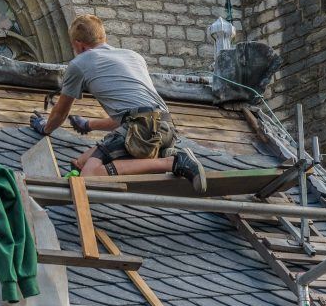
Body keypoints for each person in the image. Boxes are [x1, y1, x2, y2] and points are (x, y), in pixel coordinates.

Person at [30, 15, 207, 192]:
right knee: (81, 163)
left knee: (89, 177)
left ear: (78, 44)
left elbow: (60, 115)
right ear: (103, 37)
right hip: (165, 129)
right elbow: (134, 114)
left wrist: (45, 127)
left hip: (141, 130)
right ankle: (163, 153)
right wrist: (89, 124)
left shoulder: (79, 63)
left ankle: (173, 162)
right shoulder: (133, 56)